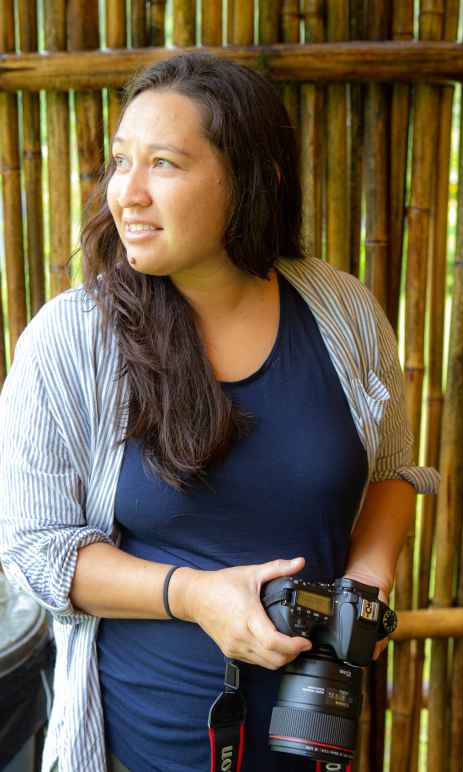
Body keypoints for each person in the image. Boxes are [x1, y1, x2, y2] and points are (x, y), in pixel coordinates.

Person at [0, 52, 440, 772]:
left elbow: (395, 471)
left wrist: (364, 584)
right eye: (120, 163)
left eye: (165, 164)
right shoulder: (71, 338)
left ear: (253, 180)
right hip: (140, 746)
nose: (128, 193)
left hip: (315, 732)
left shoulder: (342, 311)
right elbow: (34, 551)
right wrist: (196, 596)